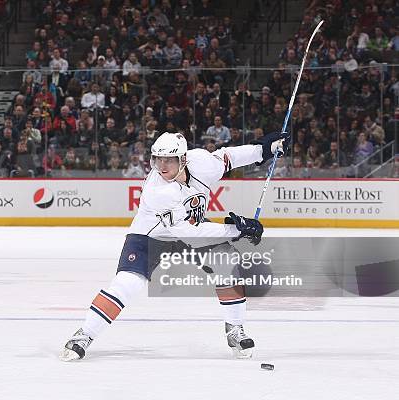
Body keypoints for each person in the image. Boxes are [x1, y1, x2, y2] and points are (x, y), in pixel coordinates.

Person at [60, 130, 288, 361]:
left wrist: (263, 150)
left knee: (227, 263)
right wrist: (236, 230)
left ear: (184, 159)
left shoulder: (202, 162)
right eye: (158, 159)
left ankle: (235, 330)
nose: (162, 165)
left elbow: (229, 157)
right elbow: (189, 234)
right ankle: (84, 335)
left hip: (188, 227)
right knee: (127, 284)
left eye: (169, 159)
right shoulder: (158, 191)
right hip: (151, 236)